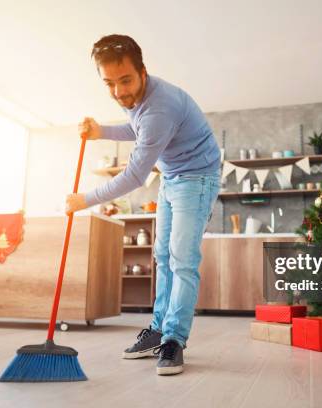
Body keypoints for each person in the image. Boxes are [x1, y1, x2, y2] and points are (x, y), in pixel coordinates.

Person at [66, 34, 221, 376]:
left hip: (196, 178)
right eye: (109, 83)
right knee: (162, 256)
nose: (119, 92)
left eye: (125, 81)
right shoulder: (139, 102)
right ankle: (157, 330)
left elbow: (135, 176)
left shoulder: (160, 107)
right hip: (171, 177)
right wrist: (100, 132)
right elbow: (136, 127)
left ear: (143, 73)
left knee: (182, 261)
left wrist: (85, 200)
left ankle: (174, 340)